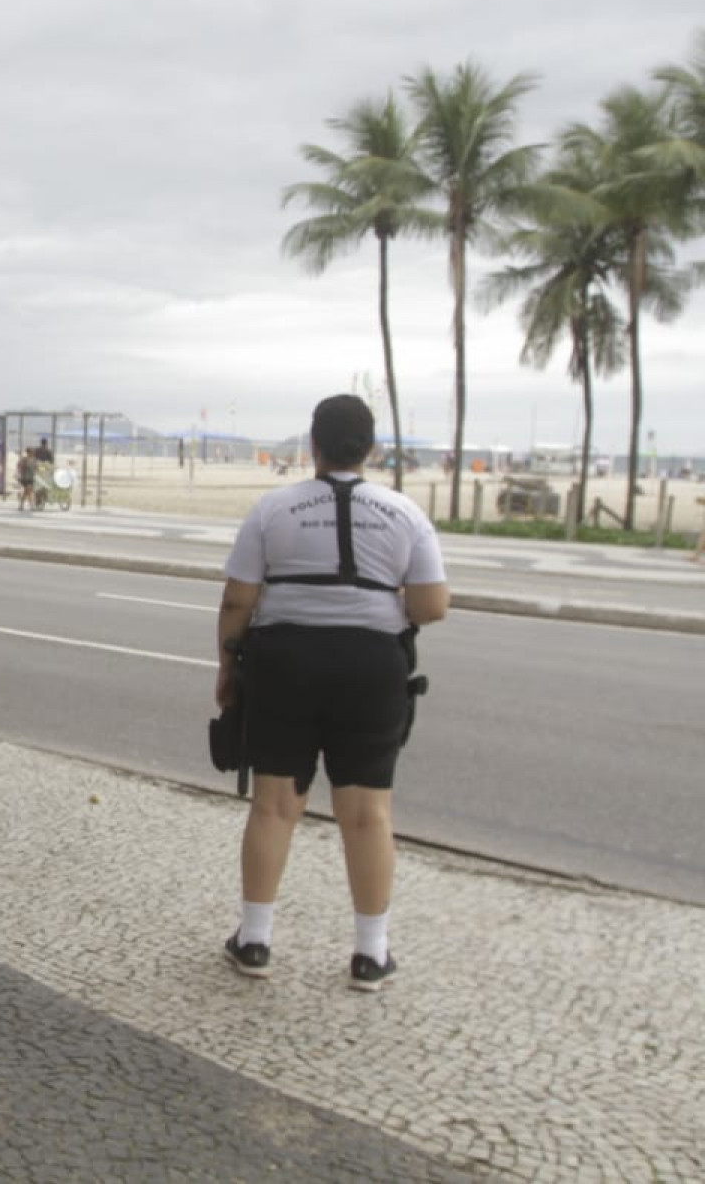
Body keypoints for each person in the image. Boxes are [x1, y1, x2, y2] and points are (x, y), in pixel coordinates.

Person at [215, 394, 450, 993]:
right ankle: (371, 955)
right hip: (371, 665)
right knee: (368, 814)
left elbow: (239, 599)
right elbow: (430, 605)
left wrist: (227, 666)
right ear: (369, 449)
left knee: (274, 806)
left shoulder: (274, 509)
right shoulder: (403, 513)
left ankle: (255, 940)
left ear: (314, 446)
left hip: (283, 660)